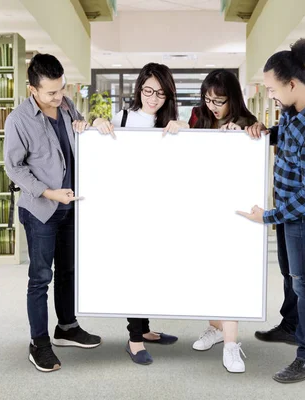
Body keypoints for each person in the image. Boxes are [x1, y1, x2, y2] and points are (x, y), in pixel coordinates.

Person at [240, 38, 305, 383]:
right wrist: (266, 133)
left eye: (272, 89)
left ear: (292, 84)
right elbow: (288, 135)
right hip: (287, 208)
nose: (270, 95)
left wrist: (265, 217)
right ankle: (292, 325)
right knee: (289, 272)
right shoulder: (296, 109)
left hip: (301, 215)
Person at [4, 54, 102, 373]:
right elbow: (14, 168)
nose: (58, 97)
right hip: (41, 209)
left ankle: (67, 327)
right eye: (50, 93)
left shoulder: (67, 105)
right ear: (32, 88)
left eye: (61, 89)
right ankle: (39, 343)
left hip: (71, 205)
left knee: (69, 271)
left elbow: (77, 143)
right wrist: (49, 192)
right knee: (40, 277)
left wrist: (85, 128)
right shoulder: (19, 120)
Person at [93, 62, 187, 365]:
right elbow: (101, 148)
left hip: (158, 206)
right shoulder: (122, 117)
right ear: (139, 88)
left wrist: (182, 127)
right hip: (127, 206)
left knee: (149, 270)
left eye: (160, 92)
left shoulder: (171, 121)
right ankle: (133, 339)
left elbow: (189, 147)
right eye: (148, 90)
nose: (153, 97)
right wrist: (97, 122)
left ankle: (144, 329)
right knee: (134, 271)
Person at [188, 69, 258, 373]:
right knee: (205, 274)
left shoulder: (247, 121)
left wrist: (245, 136)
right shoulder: (197, 115)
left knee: (229, 275)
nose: (213, 106)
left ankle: (231, 345)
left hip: (233, 209)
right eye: (208, 99)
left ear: (233, 98)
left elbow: (256, 155)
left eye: (219, 100)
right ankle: (216, 328)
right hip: (202, 203)